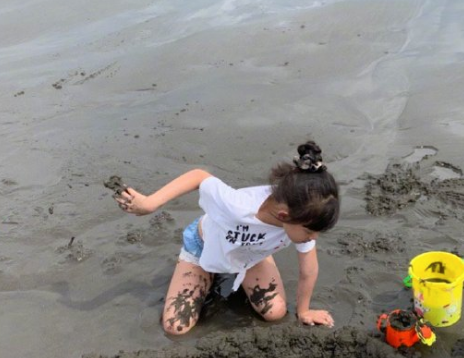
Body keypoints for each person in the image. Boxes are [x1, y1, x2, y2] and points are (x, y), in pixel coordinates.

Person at [116, 141, 340, 334]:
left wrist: (304, 311)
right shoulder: (238, 206)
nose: (313, 238)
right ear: (284, 216)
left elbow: (308, 270)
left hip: (250, 255)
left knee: (275, 312)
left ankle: (249, 266)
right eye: (310, 232)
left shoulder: (303, 218)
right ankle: (206, 272)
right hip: (203, 248)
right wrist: (150, 203)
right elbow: (198, 177)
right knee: (176, 326)